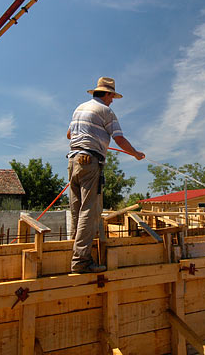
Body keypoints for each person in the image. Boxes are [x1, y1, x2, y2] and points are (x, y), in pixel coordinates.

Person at [67, 77, 145, 273]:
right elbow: (118, 138)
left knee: (76, 209)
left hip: (73, 160)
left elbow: (69, 134)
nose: (112, 101)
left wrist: (89, 135)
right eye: (112, 97)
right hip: (90, 161)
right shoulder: (105, 111)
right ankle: (81, 262)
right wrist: (135, 153)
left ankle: (71, 252)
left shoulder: (80, 108)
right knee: (89, 211)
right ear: (107, 94)